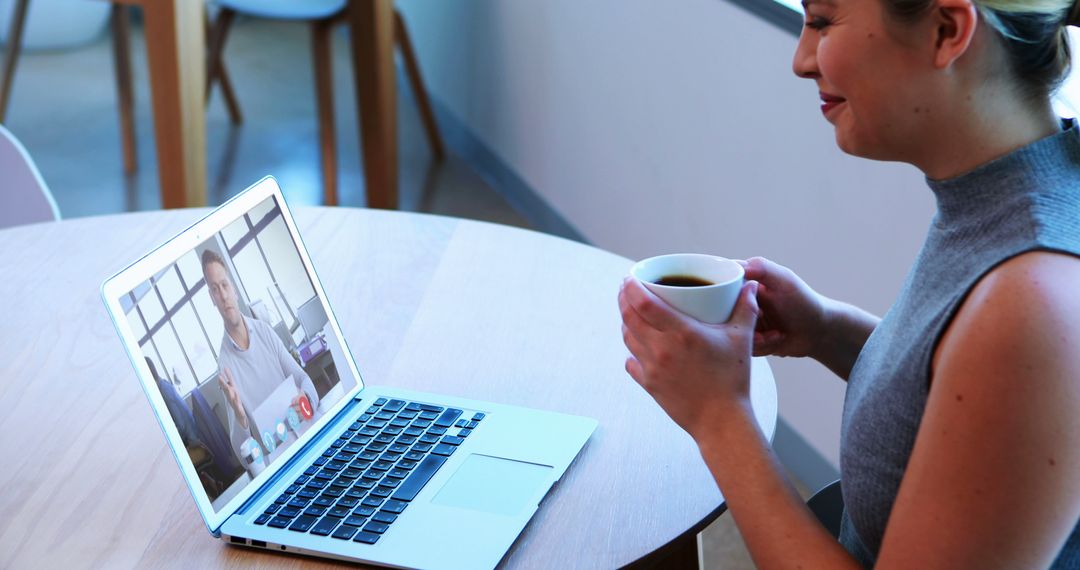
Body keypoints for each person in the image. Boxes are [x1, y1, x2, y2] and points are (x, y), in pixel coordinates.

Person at [619, 0, 1080, 567]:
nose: (801, 60)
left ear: (946, 30)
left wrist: (719, 417)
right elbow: (960, 402)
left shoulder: (1035, 301)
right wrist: (827, 331)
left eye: (821, 21)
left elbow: (1014, 355)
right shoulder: (1017, 193)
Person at [201, 248, 320, 467]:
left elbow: (303, 379)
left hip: (310, 437)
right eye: (216, 290)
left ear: (234, 289)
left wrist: (307, 399)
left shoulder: (264, 330)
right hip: (282, 464)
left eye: (225, 285)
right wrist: (240, 417)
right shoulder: (225, 367)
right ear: (212, 298)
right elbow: (245, 459)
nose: (224, 295)